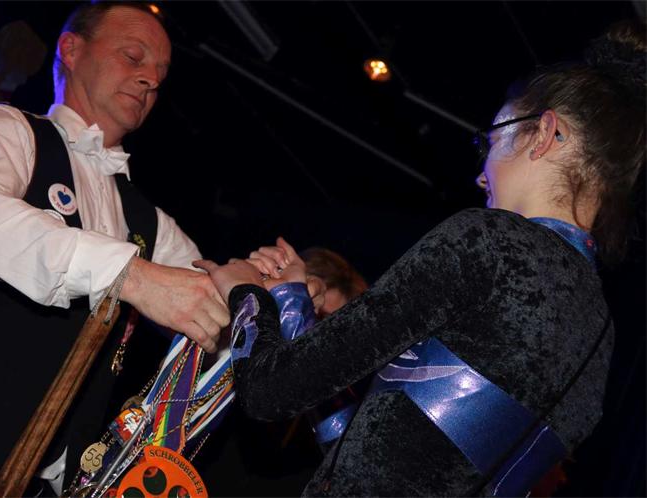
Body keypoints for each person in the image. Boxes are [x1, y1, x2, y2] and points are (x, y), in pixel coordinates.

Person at [195, 20, 645, 496]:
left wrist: (245, 293)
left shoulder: (489, 241)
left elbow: (269, 392)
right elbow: (380, 451)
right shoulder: (602, 338)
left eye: (490, 140)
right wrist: (292, 303)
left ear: (544, 133)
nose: (481, 175)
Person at [0, 2, 230, 496]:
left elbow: (210, 305)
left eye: (160, 74)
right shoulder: (9, 128)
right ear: (72, 51)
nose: (150, 79)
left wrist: (262, 289)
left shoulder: (149, 220)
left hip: (45, 481)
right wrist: (129, 275)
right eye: (133, 56)